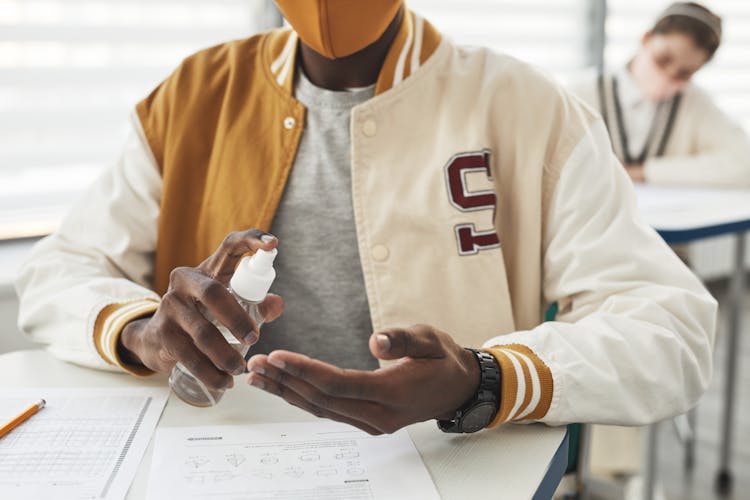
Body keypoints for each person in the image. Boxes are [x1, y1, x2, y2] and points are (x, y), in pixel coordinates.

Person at [17, 1, 716, 440]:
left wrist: (485, 379)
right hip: (223, 457)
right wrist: (141, 331)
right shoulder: (197, 93)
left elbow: (671, 332)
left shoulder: (527, 107)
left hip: (443, 466)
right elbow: (58, 270)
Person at [570, 2, 750, 187]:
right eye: (663, 60)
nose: (668, 76)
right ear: (647, 38)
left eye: (684, 73)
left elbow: (744, 164)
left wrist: (645, 172)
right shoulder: (581, 93)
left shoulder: (696, 103)